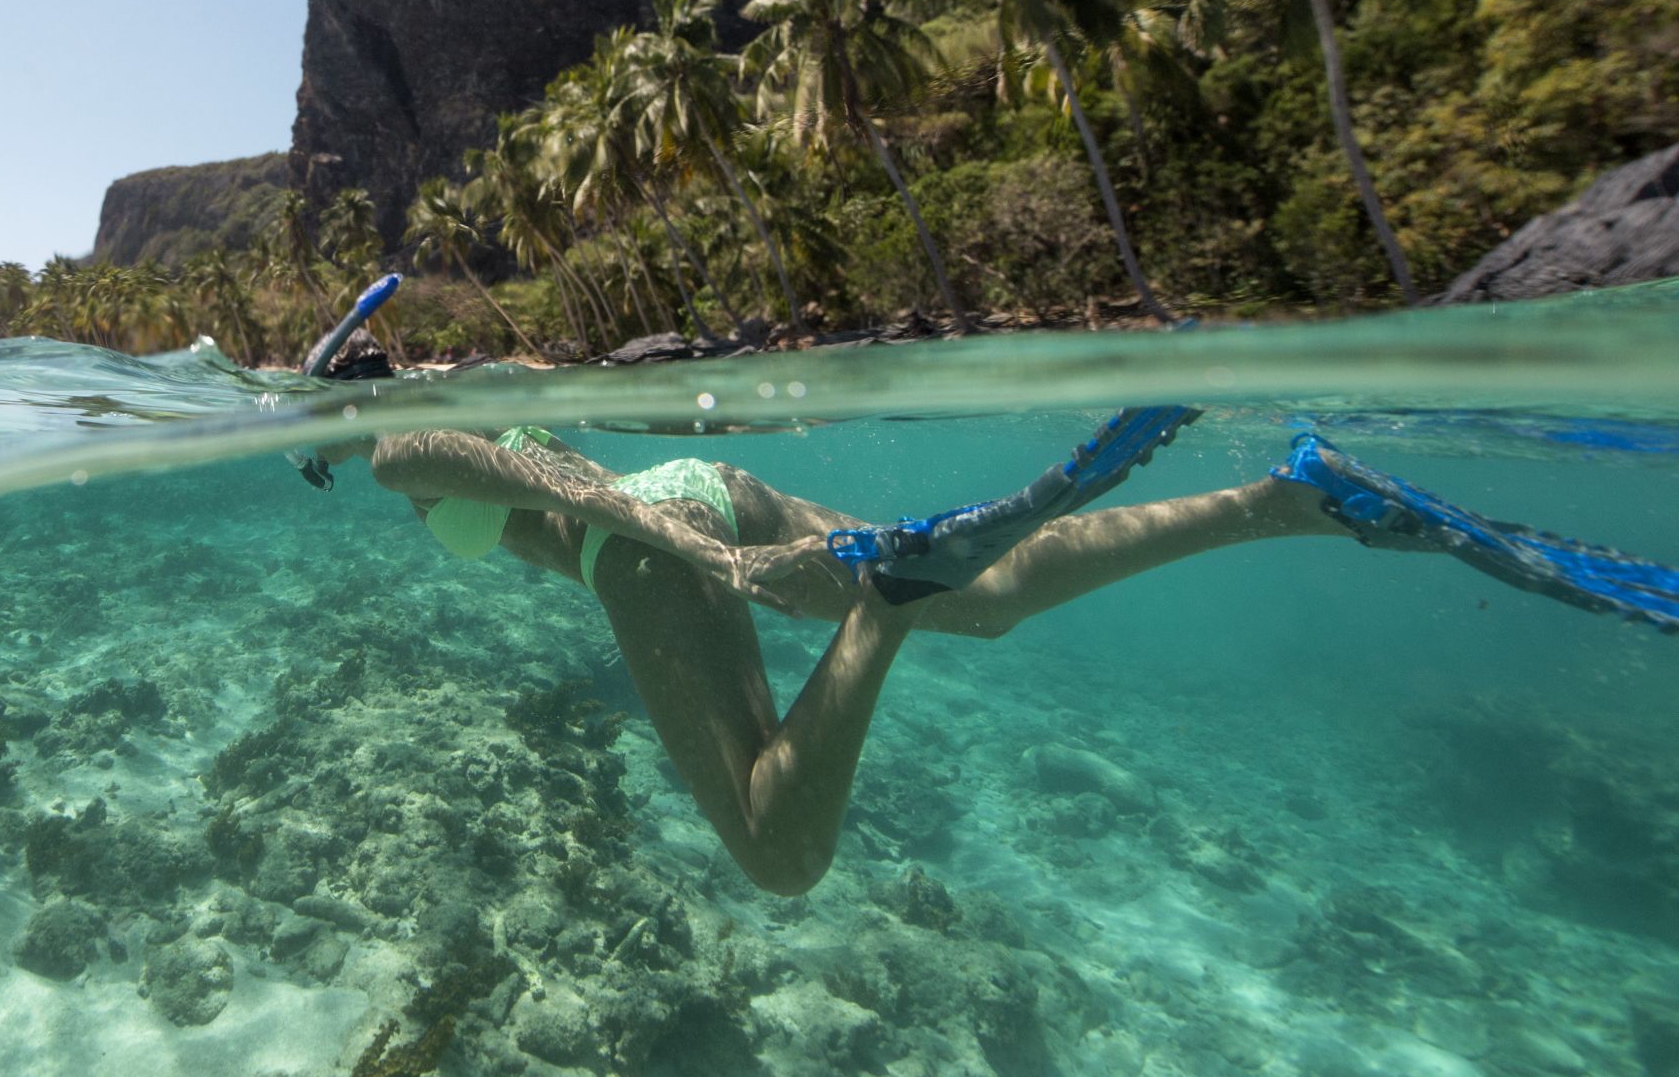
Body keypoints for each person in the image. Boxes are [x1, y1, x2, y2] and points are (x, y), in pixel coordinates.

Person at [307, 416, 1677, 895]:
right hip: (693, 490)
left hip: (658, 547)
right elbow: (534, 457)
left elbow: (481, 465)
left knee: (778, 855)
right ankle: (1287, 502)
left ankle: (880, 609)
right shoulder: (457, 395)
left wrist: (697, 556)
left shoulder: (387, 444)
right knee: (998, 594)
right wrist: (685, 521)